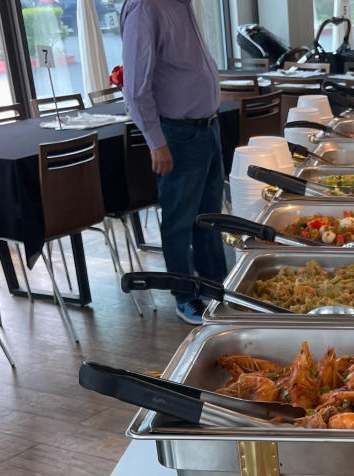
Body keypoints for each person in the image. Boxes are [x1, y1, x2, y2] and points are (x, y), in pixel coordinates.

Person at [120, 0, 227, 324]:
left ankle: (213, 286)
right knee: (180, 221)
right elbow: (136, 88)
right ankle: (186, 296)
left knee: (209, 218)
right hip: (179, 134)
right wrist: (157, 142)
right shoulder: (145, 8)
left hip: (208, 128)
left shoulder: (181, 5)